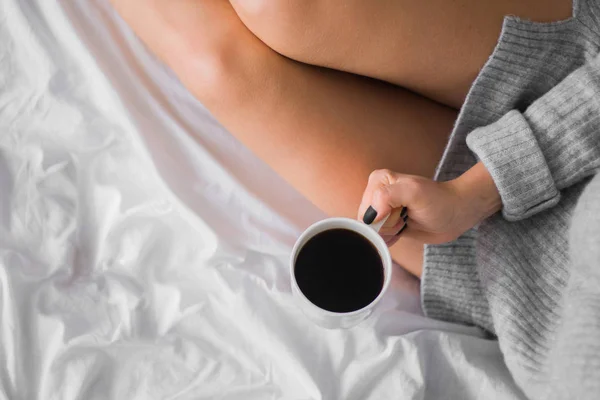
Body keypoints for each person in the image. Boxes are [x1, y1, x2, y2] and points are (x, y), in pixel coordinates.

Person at [109, 0, 600, 398]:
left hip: (514, 273)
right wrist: (482, 188)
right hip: (579, 81)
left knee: (219, 68)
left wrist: (474, 198)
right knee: (281, 8)